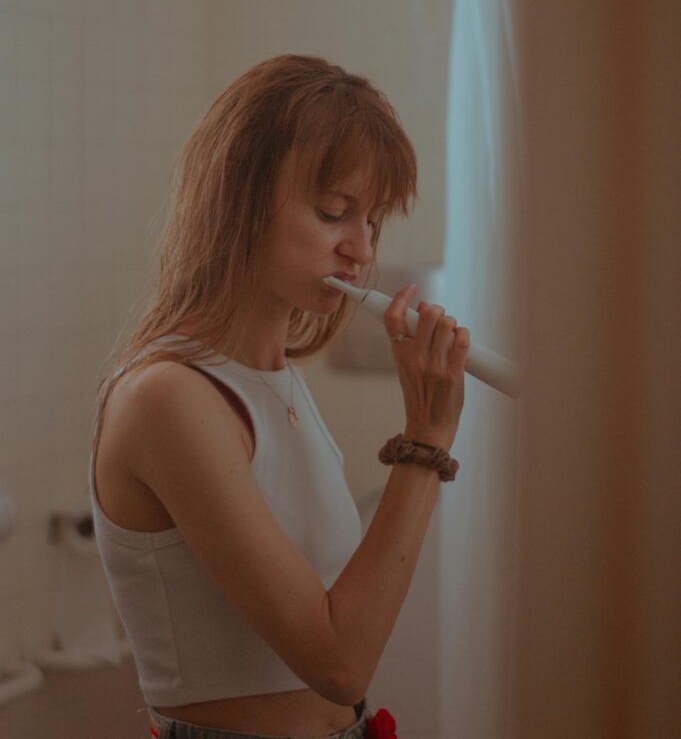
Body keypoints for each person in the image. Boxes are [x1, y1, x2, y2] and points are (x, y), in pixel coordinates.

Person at [89, 53, 468, 739]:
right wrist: (426, 442)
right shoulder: (169, 398)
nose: (359, 248)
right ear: (237, 199)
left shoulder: (276, 379)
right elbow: (339, 663)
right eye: (334, 213)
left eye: (373, 222)